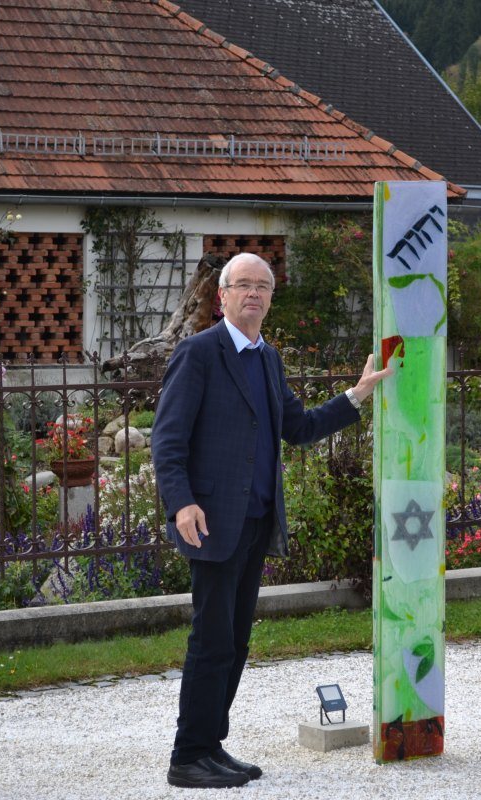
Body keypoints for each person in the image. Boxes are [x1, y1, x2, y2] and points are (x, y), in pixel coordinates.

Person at [151, 252, 391, 789]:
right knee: (211, 640)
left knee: (235, 641)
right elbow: (167, 440)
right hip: (210, 523)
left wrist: (358, 394)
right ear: (223, 296)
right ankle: (187, 755)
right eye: (242, 286)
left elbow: (298, 427)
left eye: (262, 286)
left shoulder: (268, 359)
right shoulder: (199, 353)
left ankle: (211, 744)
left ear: (270, 297)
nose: (252, 294)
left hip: (255, 523)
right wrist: (180, 502)